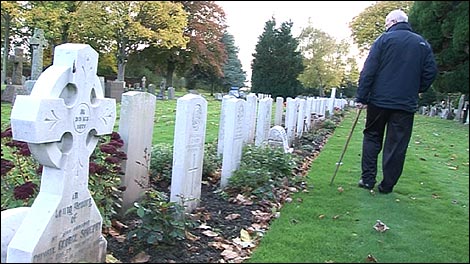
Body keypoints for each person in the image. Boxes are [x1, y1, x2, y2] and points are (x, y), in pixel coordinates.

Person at [355, 9, 438, 194]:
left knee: (372, 136)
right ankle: (387, 185)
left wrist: (362, 96)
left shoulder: (383, 40)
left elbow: (369, 70)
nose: (386, 27)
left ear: (392, 21)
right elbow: (431, 72)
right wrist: (417, 89)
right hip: (405, 103)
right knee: (397, 143)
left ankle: (367, 179)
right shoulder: (421, 43)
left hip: (378, 100)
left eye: (386, 24)